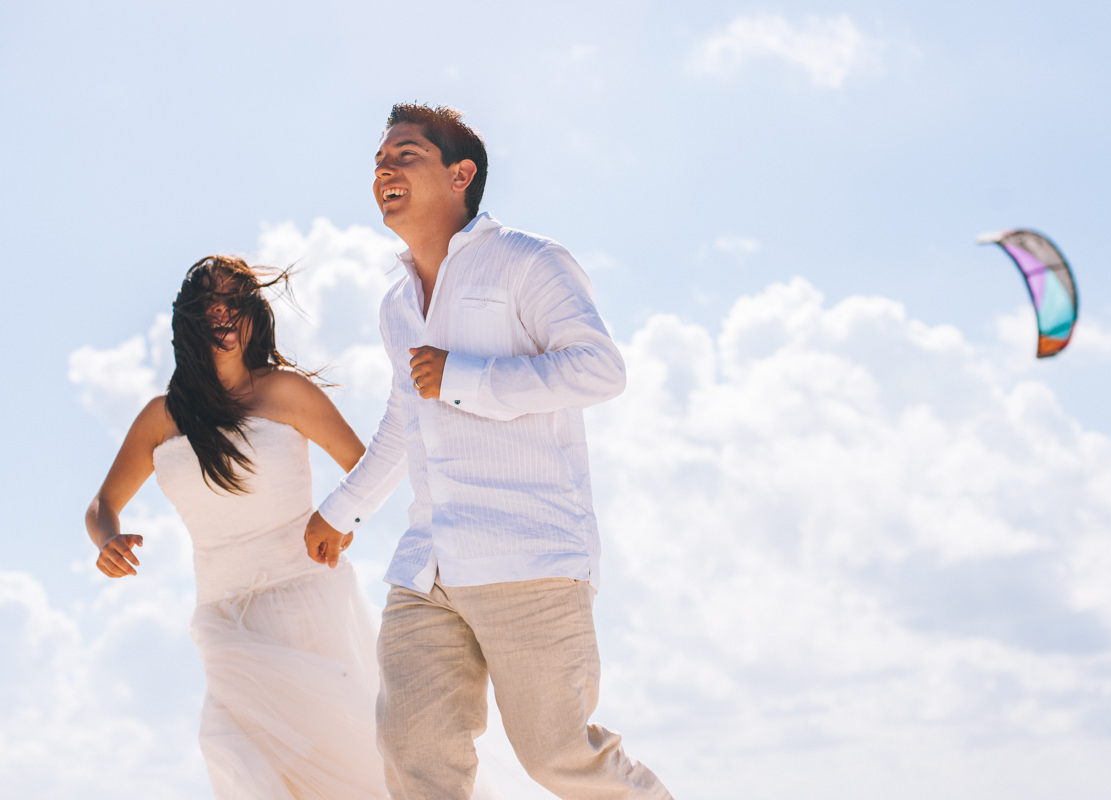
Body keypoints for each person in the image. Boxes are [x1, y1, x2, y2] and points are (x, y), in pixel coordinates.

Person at [304, 103, 673, 799]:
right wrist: (342, 510)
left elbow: (600, 370)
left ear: (460, 174)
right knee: (413, 751)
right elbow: (403, 420)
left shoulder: (529, 263)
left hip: (528, 557)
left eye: (405, 155)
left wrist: (464, 378)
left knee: (557, 755)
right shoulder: (396, 303)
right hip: (428, 568)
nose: (384, 168)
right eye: (379, 159)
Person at [85, 256, 388, 799]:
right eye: (207, 302)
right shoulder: (163, 417)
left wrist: (339, 521)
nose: (220, 310)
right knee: (237, 760)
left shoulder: (286, 392)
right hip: (223, 618)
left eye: (232, 299)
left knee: (340, 772)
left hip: (305, 606)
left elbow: (367, 471)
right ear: (189, 321)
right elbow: (104, 503)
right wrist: (107, 540)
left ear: (253, 313)